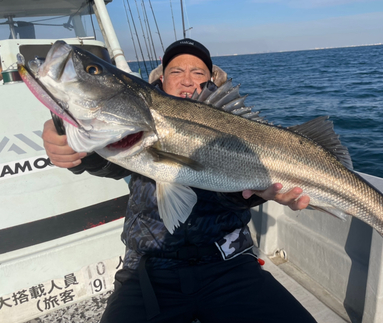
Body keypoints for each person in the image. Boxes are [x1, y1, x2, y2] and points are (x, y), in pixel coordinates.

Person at [42, 38, 316, 323]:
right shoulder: (139, 120)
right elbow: (106, 161)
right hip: (149, 268)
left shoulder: (232, 128)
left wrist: (259, 192)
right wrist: (72, 144)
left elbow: (235, 193)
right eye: (176, 72)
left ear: (211, 82)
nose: (187, 81)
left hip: (229, 262)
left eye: (198, 73)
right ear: (161, 80)